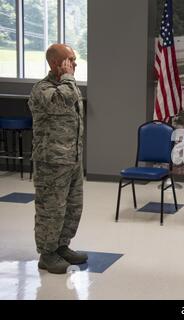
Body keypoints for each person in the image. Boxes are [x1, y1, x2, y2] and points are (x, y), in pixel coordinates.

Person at [28, 44, 87, 274]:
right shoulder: (43, 89)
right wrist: (70, 79)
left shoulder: (67, 85)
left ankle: (61, 246)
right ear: (55, 64)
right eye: (70, 60)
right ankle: (47, 253)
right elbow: (61, 102)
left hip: (71, 159)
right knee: (51, 209)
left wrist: (69, 79)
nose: (74, 64)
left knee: (72, 207)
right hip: (51, 161)